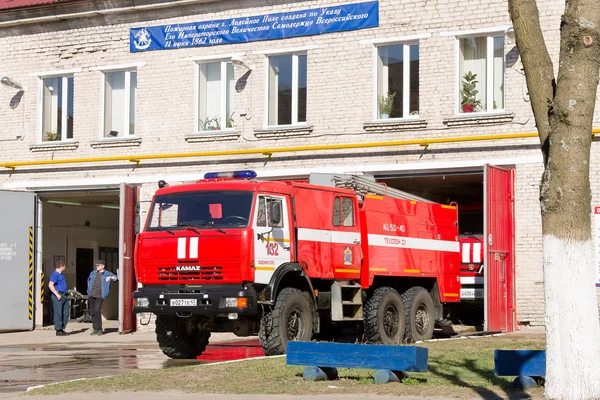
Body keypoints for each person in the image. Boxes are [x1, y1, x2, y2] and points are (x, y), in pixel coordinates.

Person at [87, 260, 118, 335]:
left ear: (103, 266)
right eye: (96, 265)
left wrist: (110, 277)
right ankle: (95, 329)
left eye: (98, 265)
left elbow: (116, 278)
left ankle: (99, 328)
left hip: (100, 295)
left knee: (97, 310)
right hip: (91, 294)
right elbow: (89, 280)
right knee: (93, 312)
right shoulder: (93, 273)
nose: (96, 266)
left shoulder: (107, 273)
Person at [48, 260, 69, 336]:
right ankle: (58, 330)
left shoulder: (61, 274)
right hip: (58, 295)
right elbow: (50, 285)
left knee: (65, 313)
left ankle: (62, 328)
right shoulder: (55, 274)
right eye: (65, 266)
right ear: (62, 266)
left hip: (64, 295)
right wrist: (57, 294)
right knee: (58, 313)